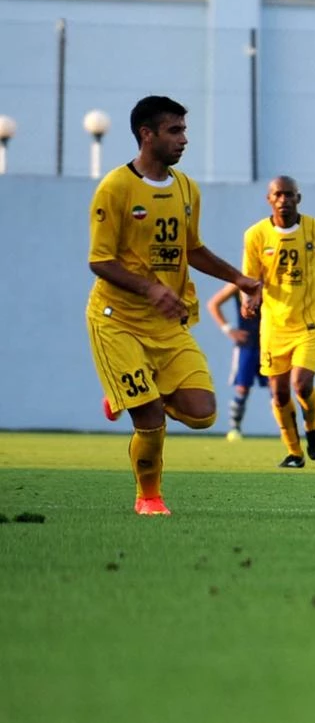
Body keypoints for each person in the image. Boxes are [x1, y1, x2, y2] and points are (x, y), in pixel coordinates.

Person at [89, 95, 261, 515]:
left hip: (167, 324)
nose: (184, 140)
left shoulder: (186, 188)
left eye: (184, 130)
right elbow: (100, 261)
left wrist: (239, 278)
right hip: (117, 321)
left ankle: (126, 393)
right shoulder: (116, 187)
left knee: (203, 414)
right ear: (146, 135)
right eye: (175, 131)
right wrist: (150, 289)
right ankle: (149, 497)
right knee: (150, 421)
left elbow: (192, 249)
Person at [242, 176, 315, 468]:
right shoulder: (256, 235)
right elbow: (250, 279)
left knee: (300, 384)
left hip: (309, 324)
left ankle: (312, 425)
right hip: (274, 326)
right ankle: (294, 453)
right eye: (278, 195)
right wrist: (249, 300)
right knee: (279, 392)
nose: (284, 200)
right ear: (269, 199)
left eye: (289, 195)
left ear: (298, 198)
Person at [206, 282, 268, 441]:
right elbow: (213, 303)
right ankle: (235, 428)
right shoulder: (239, 283)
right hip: (247, 345)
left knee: (277, 387)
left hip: (270, 343)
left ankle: (286, 429)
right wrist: (228, 329)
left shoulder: (273, 280)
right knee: (242, 388)